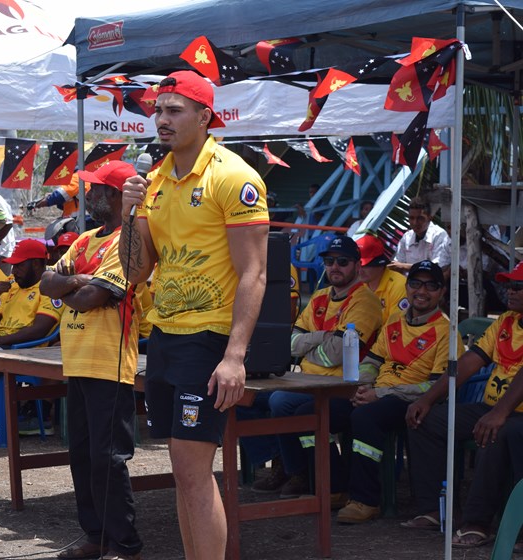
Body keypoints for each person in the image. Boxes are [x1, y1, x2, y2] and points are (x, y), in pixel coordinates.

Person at [119, 70, 269, 558]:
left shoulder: (233, 176)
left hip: (208, 339)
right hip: (164, 336)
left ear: (205, 116)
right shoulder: (155, 179)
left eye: (174, 110)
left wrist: (235, 356)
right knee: (184, 475)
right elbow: (136, 271)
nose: (161, 120)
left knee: (192, 472)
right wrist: (127, 214)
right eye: (157, 110)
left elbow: (255, 273)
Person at [40, 160, 143, 560]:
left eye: (96, 188)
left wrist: (71, 285)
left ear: (114, 195)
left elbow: (89, 298)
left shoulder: (127, 241)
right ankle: (96, 535)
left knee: (109, 459)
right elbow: (45, 282)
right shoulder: (84, 239)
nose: (88, 193)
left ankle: (124, 544)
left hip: (109, 362)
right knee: (82, 456)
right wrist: (78, 280)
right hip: (78, 361)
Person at [401, 261, 523, 547]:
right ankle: (437, 510)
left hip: (513, 414)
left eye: (519, 287)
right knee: (426, 419)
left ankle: (478, 523)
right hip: (495, 409)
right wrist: (428, 398)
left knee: (494, 433)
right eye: (509, 285)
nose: (510, 291)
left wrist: (499, 413)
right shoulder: (506, 320)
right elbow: (471, 361)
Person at [251, 236, 382, 495]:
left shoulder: (365, 301)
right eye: (329, 261)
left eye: (342, 261)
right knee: (246, 400)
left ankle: (304, 474)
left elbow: (336, 355)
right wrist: (323, 337)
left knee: (282, 403)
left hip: (343, 386)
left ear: (357, 266)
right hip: (306, 382)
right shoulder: (319, 297)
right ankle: (284, 463)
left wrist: (309, 348)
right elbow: (289, 344)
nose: (335, 267)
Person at [335, 261, 463, 523]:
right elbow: (371, 361)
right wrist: (362, 386)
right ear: (407, 287)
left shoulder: (447, 331)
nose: (422, 291)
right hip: (377, 393)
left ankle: (366, 500)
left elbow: (436, 387)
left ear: (441, 292)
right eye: (415, 283)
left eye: (431, 285)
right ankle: (333, 488)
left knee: (365, 417)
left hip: (413, 402)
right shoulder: (394, 320)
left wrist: (379, 395)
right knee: (322, 409)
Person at [0, 239, 63, 450]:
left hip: (27, 348)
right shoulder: (12, 284)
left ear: (36, 264)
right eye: (13, 265)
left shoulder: (50, 287)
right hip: (0, 342)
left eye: (19, 265)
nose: (14, 270)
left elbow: (40, 330)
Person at [390, 196, 452, 277]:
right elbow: (397, 264)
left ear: (430, 218)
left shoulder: (439, 235)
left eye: (420, 218)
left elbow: (436, 267)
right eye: (411, 218)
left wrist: (404, 266)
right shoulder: (406, 237)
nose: (415, 223)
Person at [357, 234, 408, 326]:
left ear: (380, 264)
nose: (359, 270)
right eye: (357, 264)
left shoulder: (399, 286)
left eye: (365, 265)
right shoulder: (358, 284)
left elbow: (395, 328)